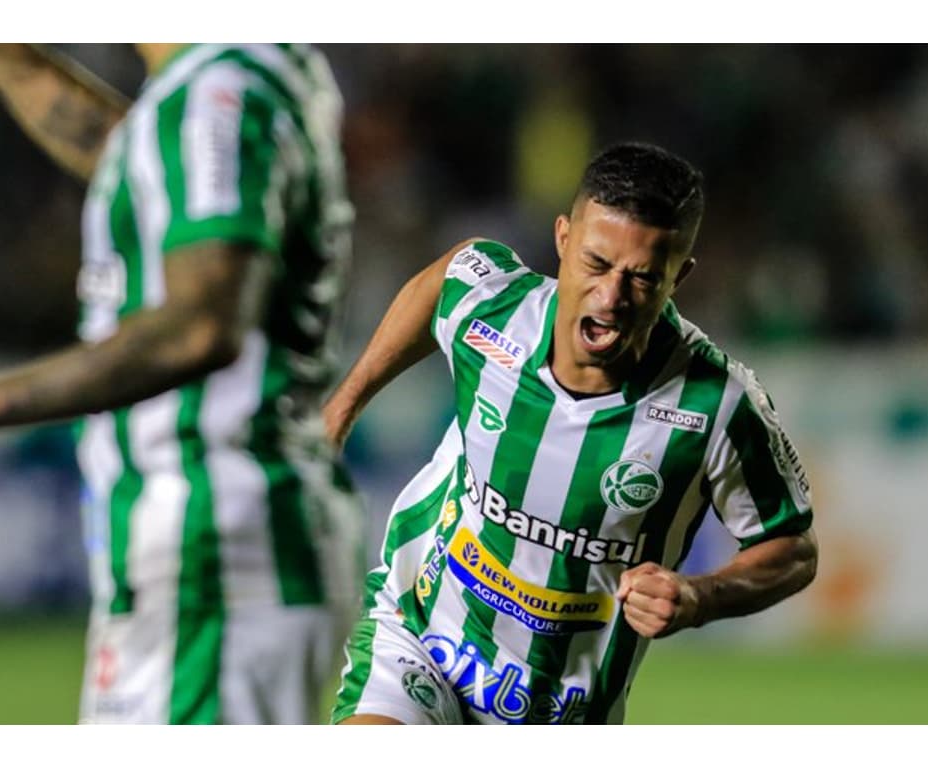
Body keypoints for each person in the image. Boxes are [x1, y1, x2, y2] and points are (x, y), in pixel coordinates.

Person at [322, 141, 818, 725]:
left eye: (641, 278)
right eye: (596, 264)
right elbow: (444, 279)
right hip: (421, 637)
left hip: (562, 709)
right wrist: (338, 414)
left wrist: (699, 597)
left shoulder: (718, 404)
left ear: (678, 276)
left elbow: (793, 550)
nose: (611, 299)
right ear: (563, 239)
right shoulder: (493, 309)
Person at [0, 44, 363, 724]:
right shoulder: (233, 79)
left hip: (213, 555)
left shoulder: (217, 89)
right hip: (199, 565)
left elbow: (201, 325)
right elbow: (133, 159)